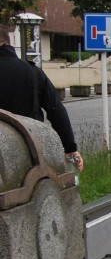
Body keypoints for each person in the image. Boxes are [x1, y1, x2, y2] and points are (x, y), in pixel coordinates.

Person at [0, 24, 83, 172]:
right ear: (7, 43)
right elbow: (56, 110)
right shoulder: (33, 72)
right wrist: (70, 148)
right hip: (29, 150)